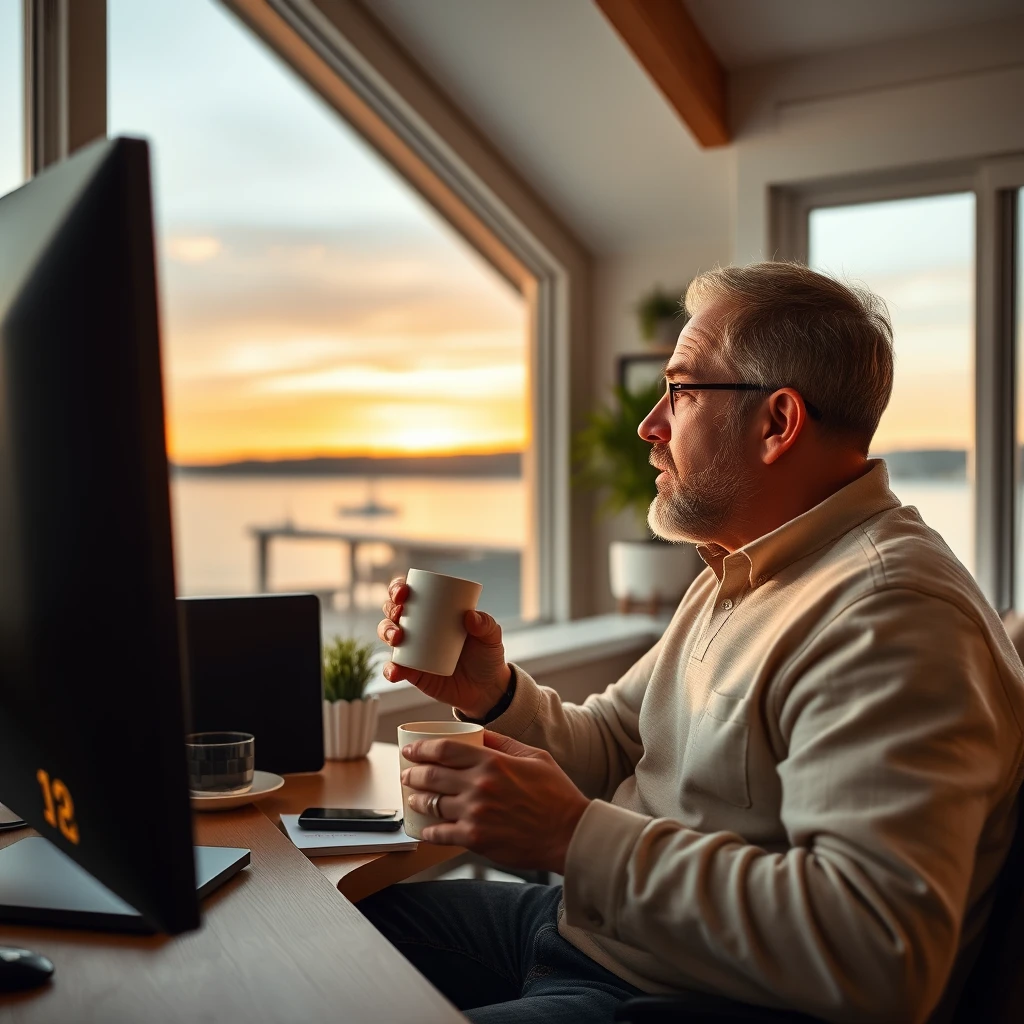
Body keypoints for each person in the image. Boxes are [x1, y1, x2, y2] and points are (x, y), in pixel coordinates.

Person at [361, 262, 1024, 1024]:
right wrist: (495, 694)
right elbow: (612, 741)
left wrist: (572, 834)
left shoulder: (890, 614)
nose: (650, 424)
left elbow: (877, 950)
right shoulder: (741, 564)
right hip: (589, 936)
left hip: (684, 996)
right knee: (316, 953)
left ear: (777, 423)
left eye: (678, 390)